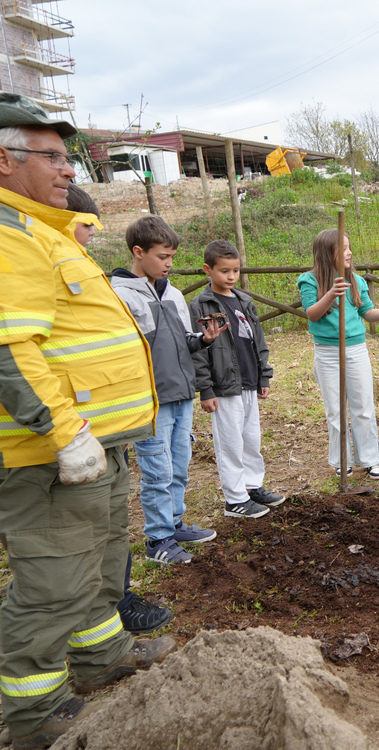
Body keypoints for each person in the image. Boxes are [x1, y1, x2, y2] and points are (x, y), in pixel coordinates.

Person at [0, 94, 176, 750]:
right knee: (52, 583)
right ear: (3, 159)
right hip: (50, 455)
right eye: (51, 155)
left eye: (66, 155)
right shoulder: (8, 235)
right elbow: (10, 346)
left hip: (98, 446)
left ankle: (102, 656)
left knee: (100, 563)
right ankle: (34, 712)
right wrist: (64, 432)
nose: (68, 168)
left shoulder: (46, 232)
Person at [64, 188, 176, 635]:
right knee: (81, 534)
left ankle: (112, 605)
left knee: (109, 526)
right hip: (74, 427)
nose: (93, 233)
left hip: (109, 425)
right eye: (87, 224)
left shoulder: (80, 266)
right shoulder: (37, 262)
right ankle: (96, 614)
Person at [111, 216, 223, 565]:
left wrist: (201, 340)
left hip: (180, 394)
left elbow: (181, 342)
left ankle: (174, 523)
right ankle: (157, 539)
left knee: (179, 464)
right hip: (151, 400)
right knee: (156, 469)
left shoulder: (172, 292)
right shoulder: (120, 296)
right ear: (138, 252)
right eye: (162, 257)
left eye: (172, 257)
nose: (169, 264)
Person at [298, 229, 379, 480]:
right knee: (336, 409)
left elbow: (367, 313)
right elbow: (312, 313)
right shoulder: (309, 280)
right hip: (327, 353)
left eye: (350, 247)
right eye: (343, 248)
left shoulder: (357, 281)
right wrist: (330, 293)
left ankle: (370, 459)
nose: (349, 253)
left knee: (363, 406)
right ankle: (343, 460)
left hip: (356, 350)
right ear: (327, 254)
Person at [190, 240, 284, 518]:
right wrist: (206, 389)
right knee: (230, 441)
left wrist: (263, 375)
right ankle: (234, 498)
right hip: (223, 385)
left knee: (250, 438)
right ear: (208, 270)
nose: (231, 277)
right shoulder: (201, 305)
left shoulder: (244, 301)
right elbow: (197, 350)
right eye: (224, 271)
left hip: (248, 379)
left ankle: (252, 486)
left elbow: (258, 340)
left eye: (235, 271)